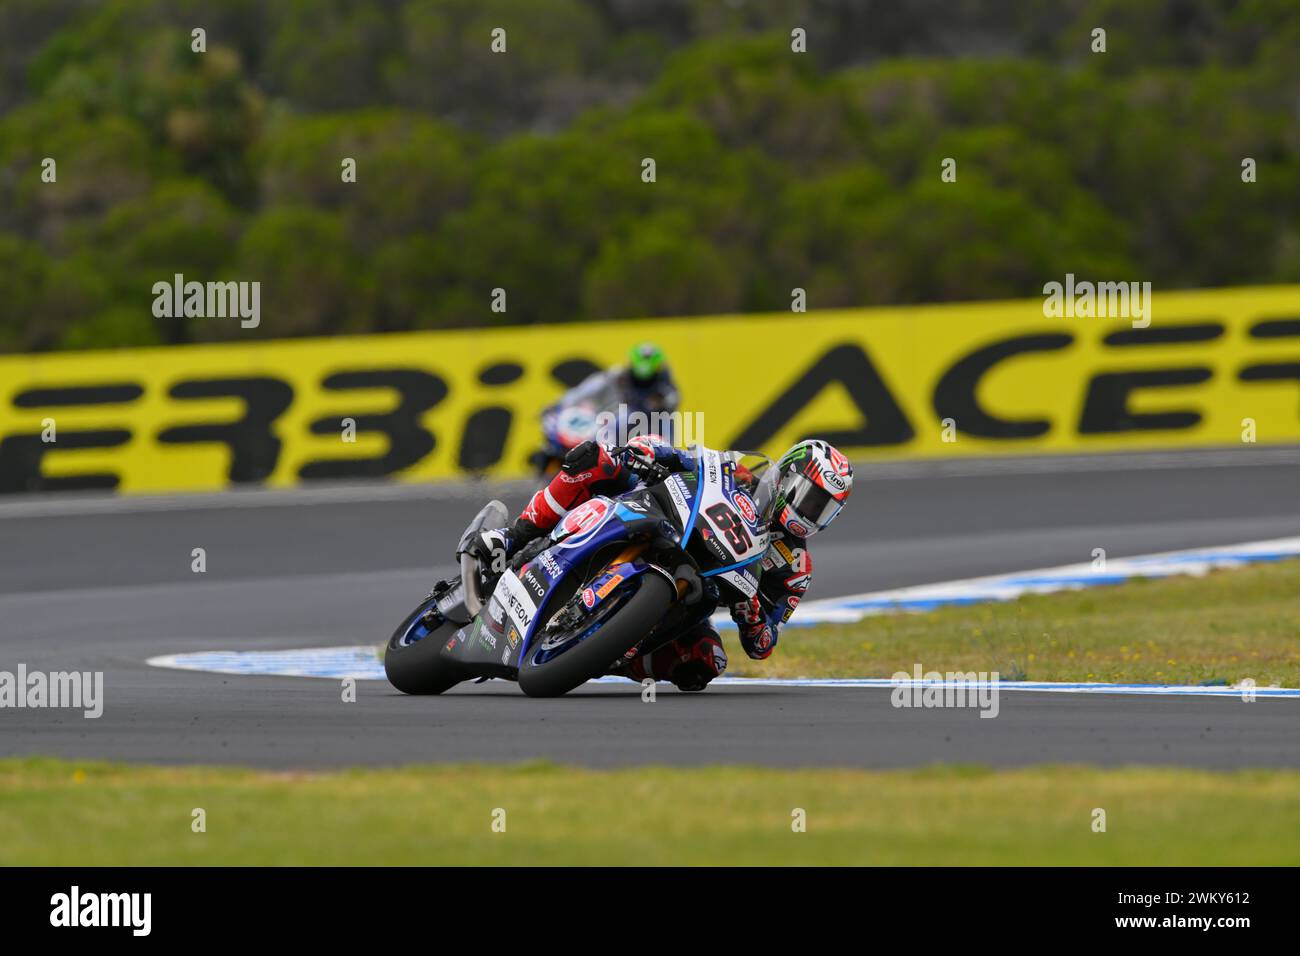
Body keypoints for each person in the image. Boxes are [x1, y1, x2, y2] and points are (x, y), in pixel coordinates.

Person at [464, 437, 853, 691]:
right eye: (813, 500)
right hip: (656, 514)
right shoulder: (743, 470)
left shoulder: (795, 568)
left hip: (691, 591)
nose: (812, 515)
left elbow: (763, 646)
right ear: (788, 477)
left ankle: (601, 653)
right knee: (593, 459)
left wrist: (751, 614)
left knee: (706, 662)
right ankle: (512, 537)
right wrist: (652, 453)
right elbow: (692, 457)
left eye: (826, 511)